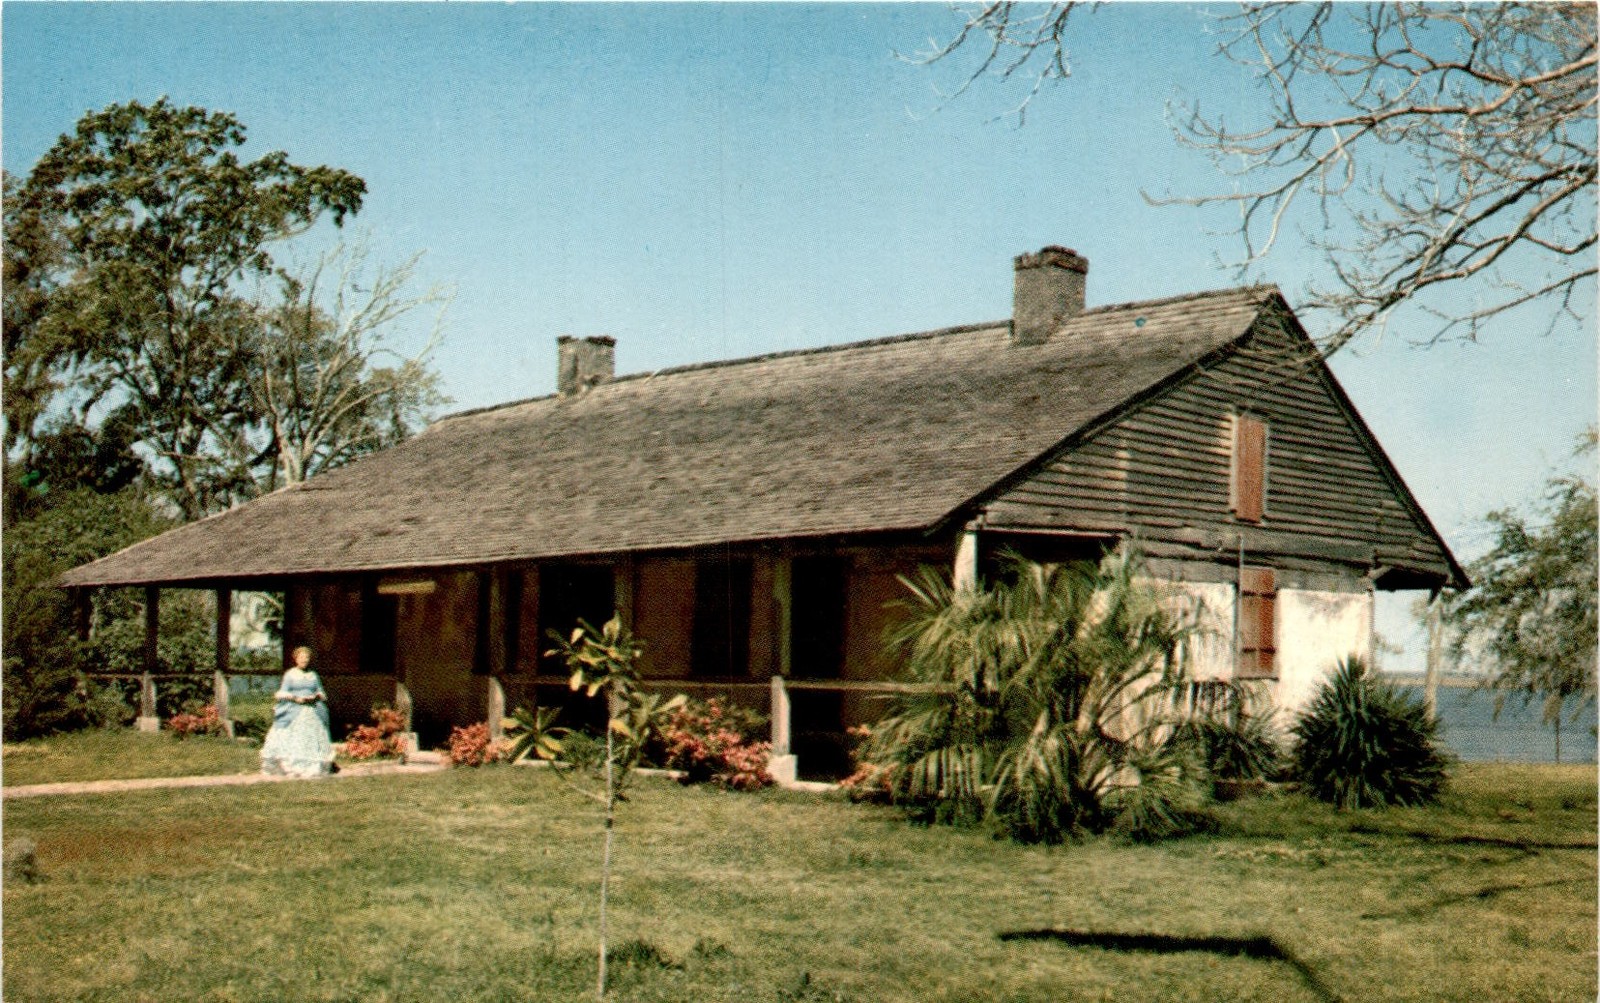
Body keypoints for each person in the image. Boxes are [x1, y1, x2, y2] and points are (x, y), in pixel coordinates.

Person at [260, 646, 335, 777]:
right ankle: (291, 767)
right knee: (291, 737)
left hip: (312, 709)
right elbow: (282, 692)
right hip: (294, 708)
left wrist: (316, 697)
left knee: (311, 737)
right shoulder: (290, 674)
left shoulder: (313, 675)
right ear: (296, 659)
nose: (304, 660)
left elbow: (321, 691)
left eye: (306, 658)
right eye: (301, 657)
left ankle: (311, 767)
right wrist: (295, 698)